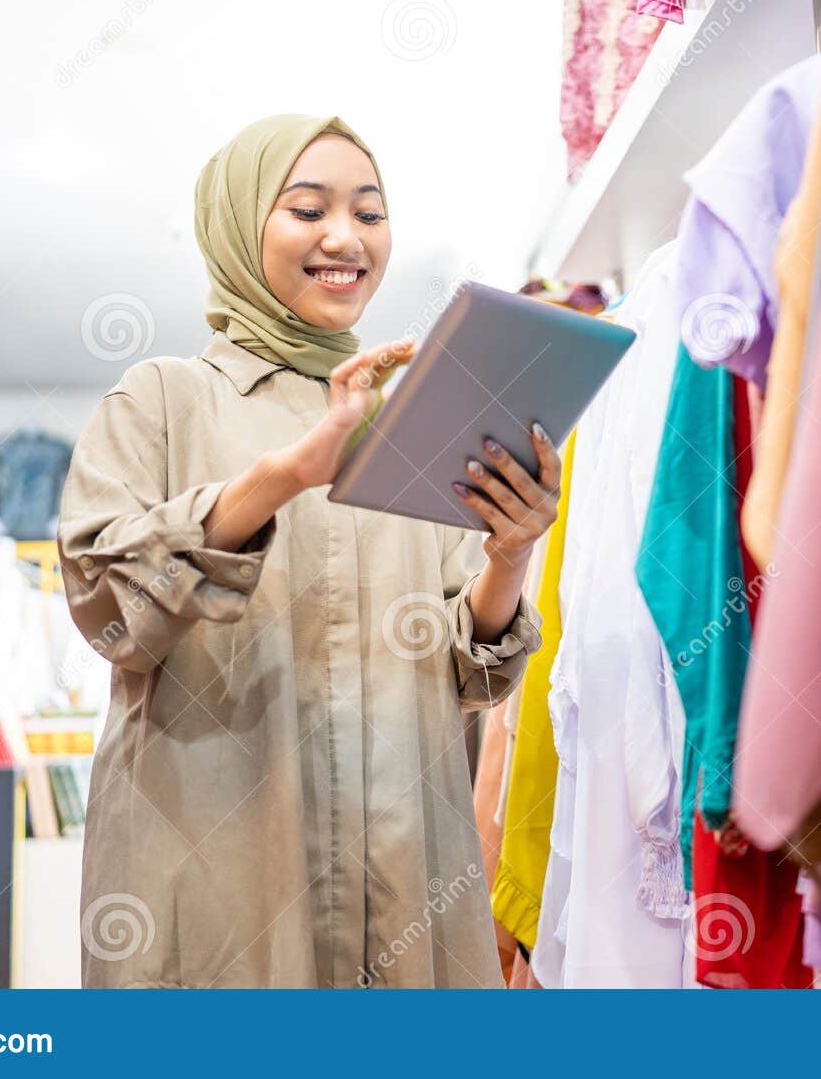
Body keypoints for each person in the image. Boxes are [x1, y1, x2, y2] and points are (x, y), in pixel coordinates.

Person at [58, 113, 556, 988]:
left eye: (370, 212)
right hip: (219, 897)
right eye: (307, 209)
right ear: (239, 228)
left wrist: (510, 558)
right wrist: (286, 475)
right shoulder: (161, 400)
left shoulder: (415, 421)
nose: (344, 237)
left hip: (406, 886)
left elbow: (467, 675)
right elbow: (111, 616)